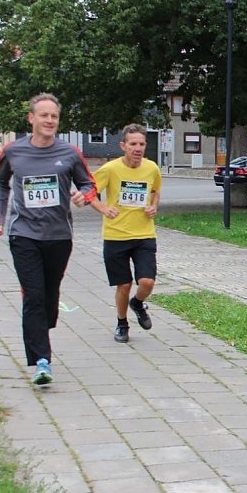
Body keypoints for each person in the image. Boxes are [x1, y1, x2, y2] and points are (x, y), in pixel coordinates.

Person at [0, 93, 98, 386]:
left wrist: (84, 196)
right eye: (44, 115)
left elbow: (89, 183)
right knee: (34, 296)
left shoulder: (70, 153)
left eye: (54, 116)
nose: (49, 120)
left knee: (48, 297)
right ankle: (42, 361)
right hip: (23, 234)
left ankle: (44, 320)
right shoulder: (13, 151)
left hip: (59, 237)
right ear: (31, 118)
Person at [88, 124, 162, 343]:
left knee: (147, 282)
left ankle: (137, 303)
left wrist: (154, 206)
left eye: (141, 144)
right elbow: (90, 192)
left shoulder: (152, 168)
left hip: (144, 235)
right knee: (124, 284)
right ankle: (122, 323)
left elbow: (156, 191)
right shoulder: (110, 169)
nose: (138, 148)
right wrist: (103, 209)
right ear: (123, 146)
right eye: (133, 144)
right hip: (115, 236)